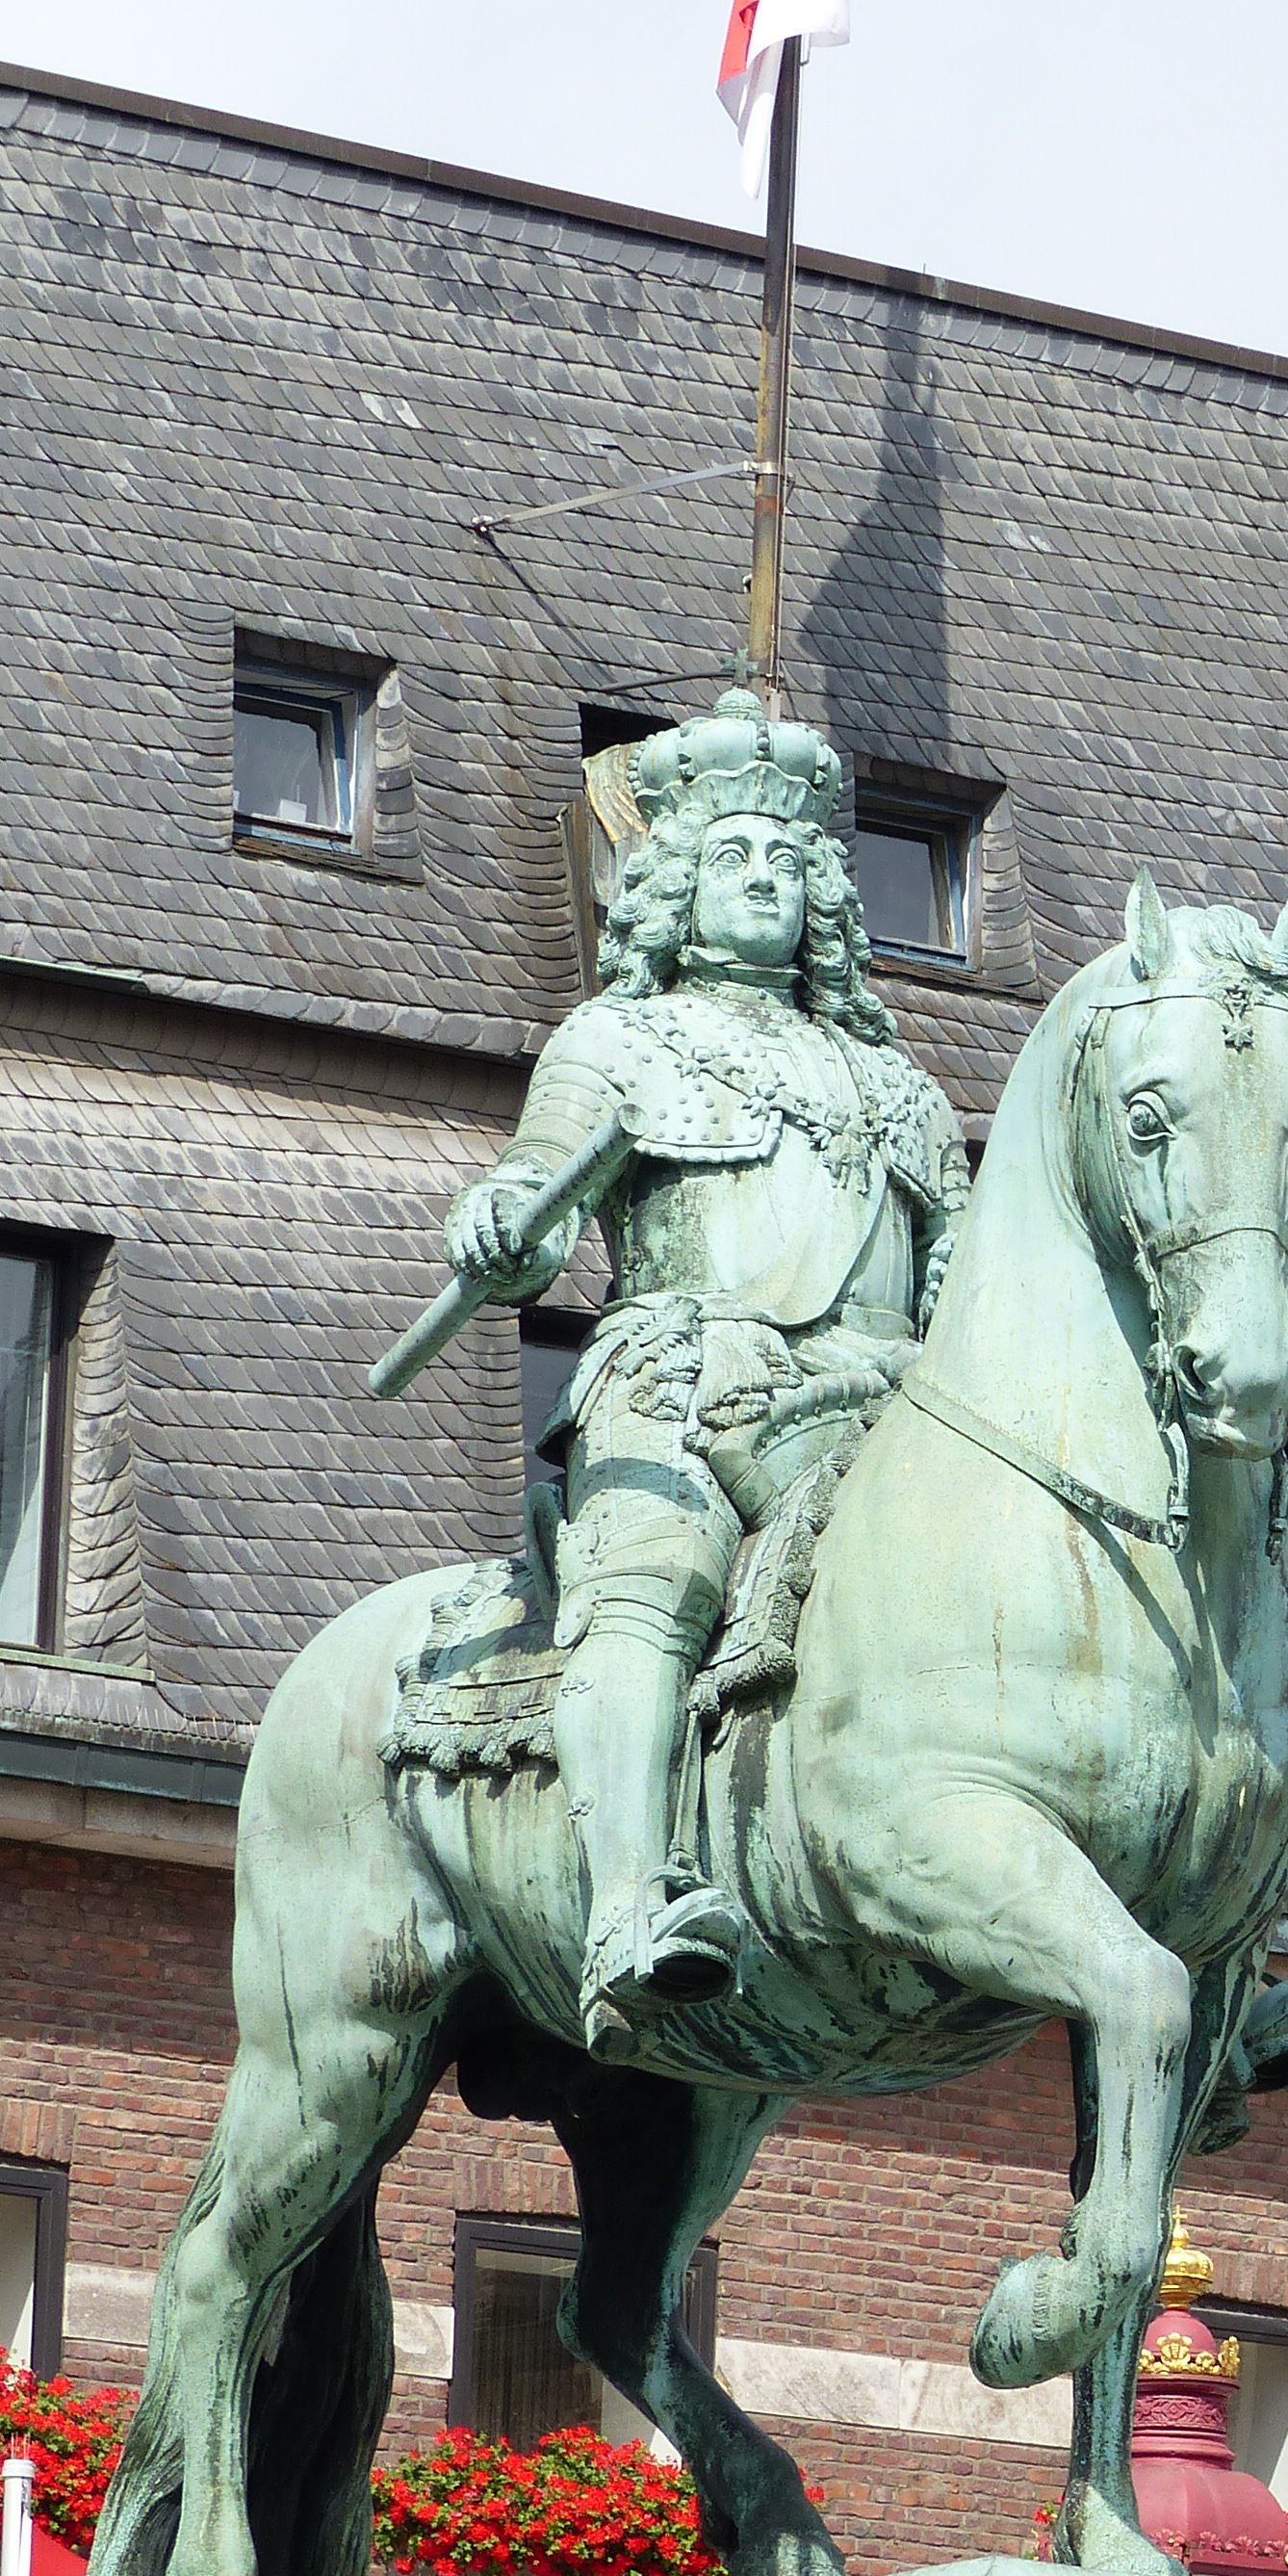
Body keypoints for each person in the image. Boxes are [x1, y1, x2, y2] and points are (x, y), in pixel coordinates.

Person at [447, 691, 969, 2052]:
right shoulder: (618, 1043)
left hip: (887, 1410)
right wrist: (499, 1226)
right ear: (676, 884)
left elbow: (966, 1280)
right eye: (734, 857)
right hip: (691, 1374)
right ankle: (627, 1907)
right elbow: (533, 1213)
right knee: (655, 1584)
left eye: (789, 863)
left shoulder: (904, 1091)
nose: (763, 882)